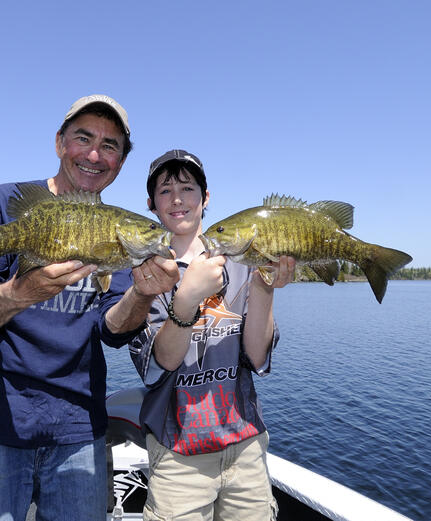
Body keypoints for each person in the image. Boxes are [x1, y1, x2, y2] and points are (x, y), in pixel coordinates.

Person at [0, 95, 179, 521]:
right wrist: (20, 293)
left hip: (77, 430)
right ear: (58, 143)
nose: (94, 154)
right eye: (83, 138)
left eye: (110, 145)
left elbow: (113, 331)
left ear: (121, 162)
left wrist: (143, 294)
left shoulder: (119, 234)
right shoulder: (7, 201)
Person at [129, 150, 296, 521]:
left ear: (206, 198)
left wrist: (265, 286)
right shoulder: (146, 275)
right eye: (164, 190)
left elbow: (257, 357)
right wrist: (187, 296)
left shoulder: (243, 261)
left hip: (246, 446)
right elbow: (159, 366)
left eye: (188, 188)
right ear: (151, 205)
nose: (177, 199)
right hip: (177, 455)